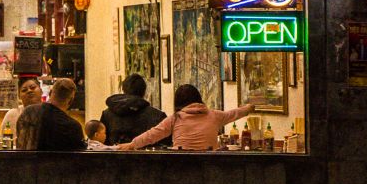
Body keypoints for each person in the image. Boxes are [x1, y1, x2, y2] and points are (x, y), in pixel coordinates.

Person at [120, 83, 254, 151]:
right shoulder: (214, 115)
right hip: (209, 165)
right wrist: (249, 108)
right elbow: (234, 113)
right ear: (198, 98)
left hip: (182, 165)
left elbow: (153, 134)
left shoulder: (176, 118)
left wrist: (132, 144)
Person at [99, 73, 167, 146]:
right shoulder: (157, 116)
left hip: (114, 152)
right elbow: (166, 144)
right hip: (146, 153)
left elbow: (100, 144)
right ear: (144, 92)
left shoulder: (107, 114)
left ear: (123, 90)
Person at [25, 78, 86, 152]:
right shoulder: (73, 127)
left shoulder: (29, 112)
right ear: (71, 100)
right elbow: (81, 154)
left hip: (28, 159)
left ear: (50, 93)